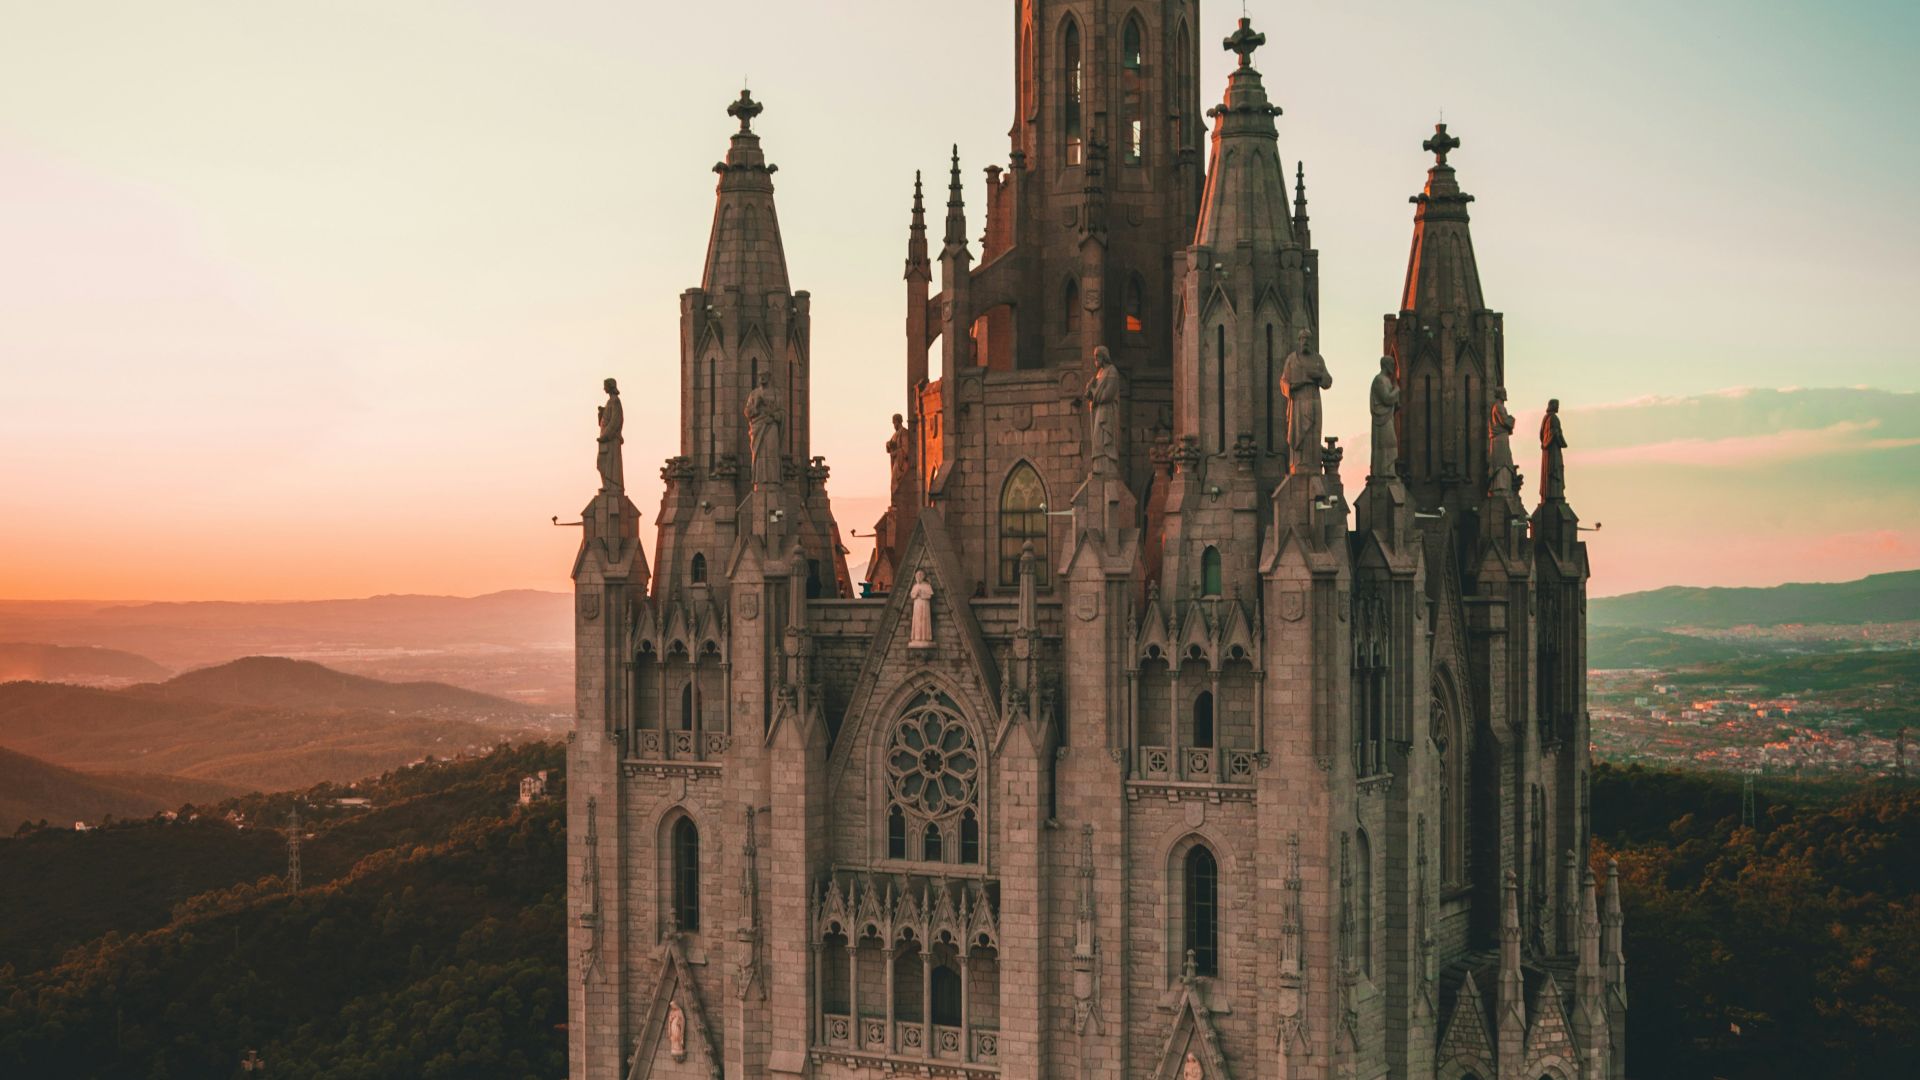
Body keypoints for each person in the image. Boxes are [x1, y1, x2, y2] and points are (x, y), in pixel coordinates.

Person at [1281, 329, 1333, 474]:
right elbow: (1284, 381)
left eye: (1308, 339)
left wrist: (1319, 376)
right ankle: (1298, 465)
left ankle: (1313, 464)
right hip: (1298, 402)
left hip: (1313, 401)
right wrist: (1293, 386)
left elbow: (1328, 381)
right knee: (1298, 434)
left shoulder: (1318, 359)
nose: (1305, 342)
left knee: (1313, 435)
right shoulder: (1292, 360)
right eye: (1303, 339)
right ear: (1299, 341)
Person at [744, 372, 784, 486]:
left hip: (771, 425)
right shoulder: (754, 394)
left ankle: (773, 480)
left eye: (765, 375)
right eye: (760, 375)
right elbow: (747, 412)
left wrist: (774, 416)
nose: (762, 378)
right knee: (759, 453)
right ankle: (759, 481)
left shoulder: (776, 394)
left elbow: (782, 412)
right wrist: (756, 406)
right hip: (757, 426)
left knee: (772, 451)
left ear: (769, 377)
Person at [1368, 357, 1401, 479]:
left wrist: (1396, 403)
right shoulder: (1379, 380)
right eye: (1391, 364)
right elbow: (1386, 399)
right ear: (1386, 365)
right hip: (1382, 419)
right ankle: (1384, 471)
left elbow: (1390, 401)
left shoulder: (1387, 380)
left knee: (1391, 442)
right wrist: (1396, 390)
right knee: (1387, 442)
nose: (1393, 367)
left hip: (1388, 418)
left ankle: (1389, 470)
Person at [596, 378, 624, 494]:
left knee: (608, 463)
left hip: (611, 439)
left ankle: (612, 485)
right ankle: (607, 485)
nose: (604, 388)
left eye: (605, 386)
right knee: (601, 463)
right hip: (605, 439)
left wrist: (606, 436)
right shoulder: (610, 402)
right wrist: (602, 414)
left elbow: (616, 420)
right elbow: (606, 420)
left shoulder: (615, 401)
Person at [1540, 398, 1567, 500]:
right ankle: (1555, 493)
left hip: (1548, 451)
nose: (1558, 407)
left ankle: (1552, 492)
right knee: (1555, 469)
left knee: (1551, 471)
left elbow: (1542, 435)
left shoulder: (1545, 418)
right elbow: (1554, 434)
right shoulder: (1554, 418)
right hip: (1553, 450)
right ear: (1552, 405)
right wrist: (1561, 441)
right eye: (1557, 405)